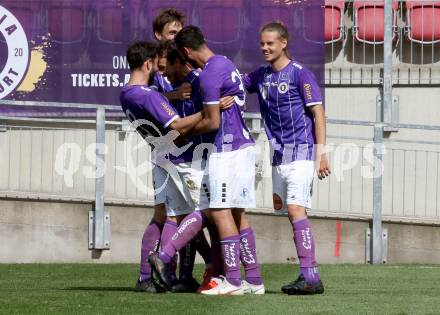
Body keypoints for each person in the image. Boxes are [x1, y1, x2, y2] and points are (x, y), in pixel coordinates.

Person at [150, 26, 264, 296]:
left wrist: (180, 134)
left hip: (226, 149)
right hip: (241, 146)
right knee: (237, 214)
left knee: (219, 211)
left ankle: (233, 281)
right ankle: (255, 280)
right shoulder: (225, 62)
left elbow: (212, 121)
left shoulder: (210, 75)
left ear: (186, 52)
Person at [242, 22, 330, 295]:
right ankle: (308, 275)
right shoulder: (261, 76)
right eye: (262, 43)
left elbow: (318, 113)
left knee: (295, 210)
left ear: (283, 43)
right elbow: (236, 85)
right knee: (287, 213)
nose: (265, 48)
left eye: (270, 43)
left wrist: (322, 154)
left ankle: (311, 276)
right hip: (278, 156)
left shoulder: (300, 74)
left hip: (301, 152)